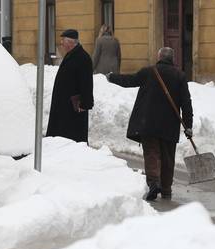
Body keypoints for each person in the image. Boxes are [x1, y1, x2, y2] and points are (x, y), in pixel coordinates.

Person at [107, 47, 193, 201]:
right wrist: (188, 125)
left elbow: (130, 81)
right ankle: (166, 189)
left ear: (159, 57)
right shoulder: (179, 76)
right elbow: (186, 103)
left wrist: (112, 77)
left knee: (152, 153)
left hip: (148, 122)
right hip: (169, 124)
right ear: (172, 59)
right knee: (168, 157)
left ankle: (153, 182)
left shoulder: (149, 72)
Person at [46, 29, 94, 143]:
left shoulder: (83, 58)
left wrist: (85, 103)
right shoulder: (71, 55)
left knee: (72, 137)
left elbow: (87, 83)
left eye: (63, 40)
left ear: (71, 42)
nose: (61, 43)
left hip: (73, 107)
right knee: (62, 135)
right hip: (64, 104)